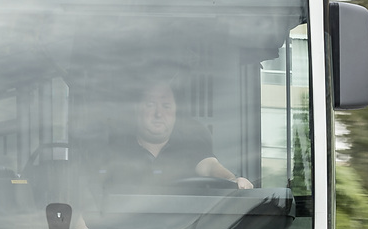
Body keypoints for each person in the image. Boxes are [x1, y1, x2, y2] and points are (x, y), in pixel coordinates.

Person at [96, 79, 252, 196]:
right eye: (150, 104)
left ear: (176, 112)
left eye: (166, 106)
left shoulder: (190, 148)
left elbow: (210, 167)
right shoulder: (116, 152)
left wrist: (233, 181)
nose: (158, 113)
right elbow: (90, 196)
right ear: (137, 109)